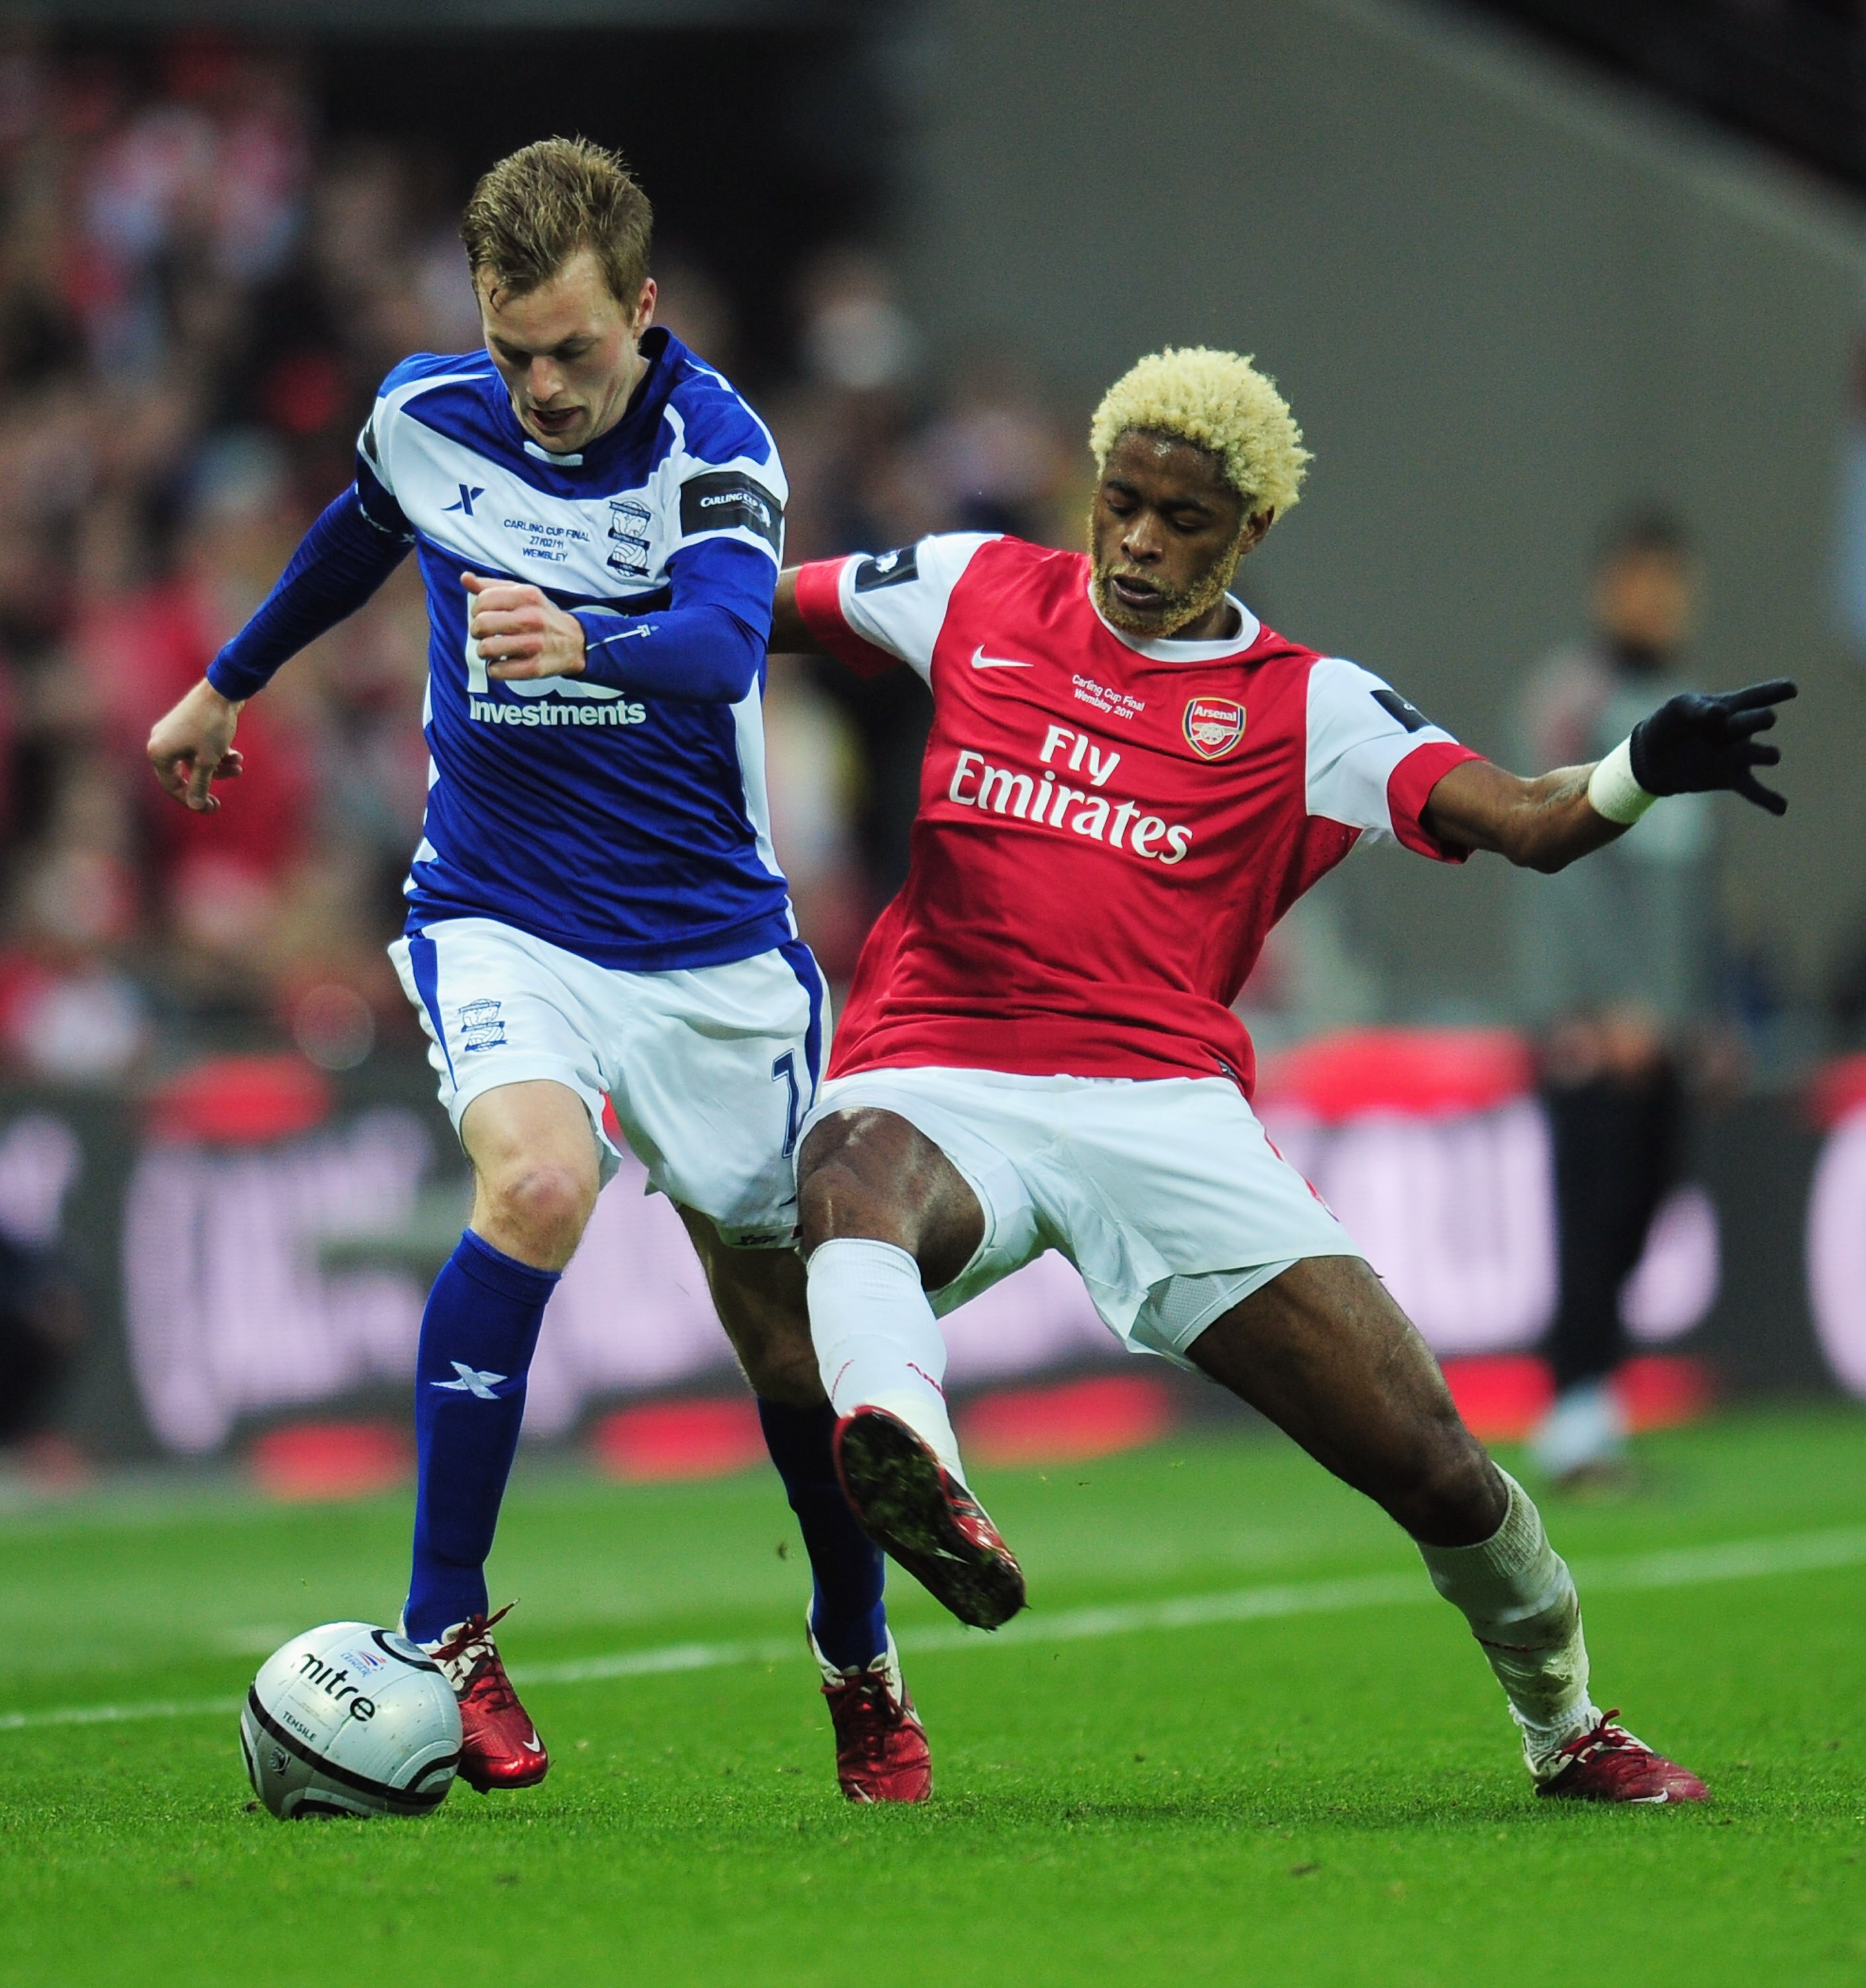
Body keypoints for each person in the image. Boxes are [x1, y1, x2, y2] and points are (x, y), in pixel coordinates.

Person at [769, 347, 1794, 1802]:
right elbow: (748, 607)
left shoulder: (1306, 708)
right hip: (942, 1065)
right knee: (847, 1177)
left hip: (1162, 1116)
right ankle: (908, 1455)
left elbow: (1524, 819)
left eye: (1179, 521)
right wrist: (569, 621)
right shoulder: (971, 585)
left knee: (1432, 1465)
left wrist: (1633, 765)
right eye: (1117, 503)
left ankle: (1566, 1723)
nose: (1134, 542)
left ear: (1247, 531)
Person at [146, 138, 928, 1804]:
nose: (542, 385)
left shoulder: (719, 443)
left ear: (641, 310)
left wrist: (586, 638)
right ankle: (444, 1635)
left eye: (574, 349)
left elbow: (724, 641)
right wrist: (229, 684)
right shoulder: (429, 414)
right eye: (513, 351)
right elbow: (360, 533)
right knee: (535, 1184)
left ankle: (858, 1662)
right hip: (500, 909)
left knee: (784, 1348)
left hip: (711, 950)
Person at [1516, 514, 1712, 1485]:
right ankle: (1576, 1418)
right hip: (1592, 1028)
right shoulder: (1577, 698)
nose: (1658, 601)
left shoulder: (1688, 708)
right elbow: (1560, 854)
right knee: (1591, 1218)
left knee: (1644, 1209)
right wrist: (1604, 1007)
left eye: (1671, 582)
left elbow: (1692, 880)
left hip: (1670, 1026)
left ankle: (1593, 1403)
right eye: (1642, 581)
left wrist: (1700, 1012)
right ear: (1608, 588)